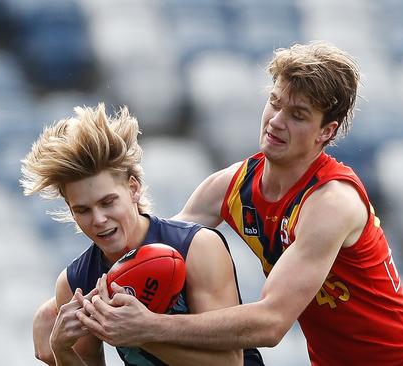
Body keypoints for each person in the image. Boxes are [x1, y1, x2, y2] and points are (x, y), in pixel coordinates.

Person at [74, 41, 403, 365]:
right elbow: (155, 248)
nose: (276, 121)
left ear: (326, 132)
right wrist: (73, 303)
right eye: (275, 103)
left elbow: (271, 323)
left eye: (298, 115)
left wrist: (150, 328)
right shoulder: (232, 187)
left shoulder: (330, 202)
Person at [21, 104, 264, 365]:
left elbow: (229, 362)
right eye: (83, 210)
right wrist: (62, 350)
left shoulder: (197, 247)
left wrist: (139, 334)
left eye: (107, 202)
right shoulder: (76, 283)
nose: (99, 219)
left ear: (133, 189)